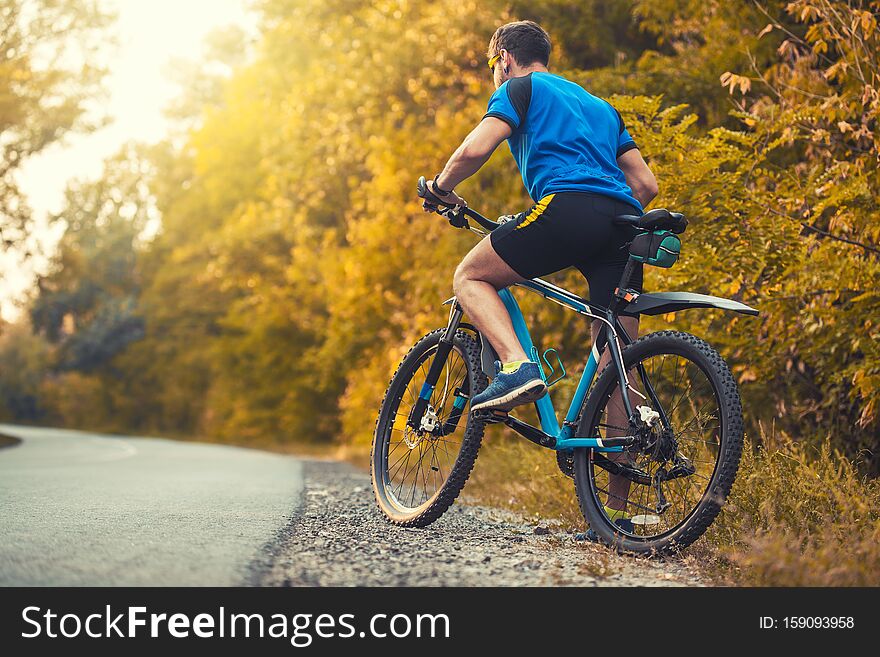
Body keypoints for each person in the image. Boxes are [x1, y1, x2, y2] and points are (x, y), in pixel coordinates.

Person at [425, 21, 658, 533]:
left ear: (505, 58)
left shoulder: (519, 89)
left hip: (567, 207)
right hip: (625, 223)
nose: (495, 75)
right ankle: (616, 515)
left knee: (470, 276)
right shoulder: (600, 107)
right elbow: (645, 182)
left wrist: (441, 188)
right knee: (618, 356)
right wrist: (605, 216)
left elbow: (472, 150)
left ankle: (517, 367)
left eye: (493, 67)